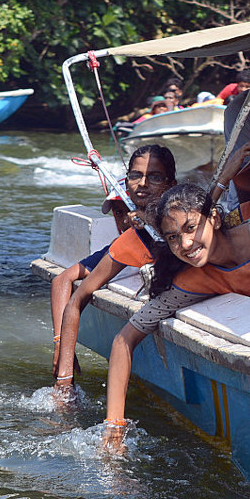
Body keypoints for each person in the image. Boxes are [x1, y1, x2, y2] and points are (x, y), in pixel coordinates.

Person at [102, 182, 250, 448]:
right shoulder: (194, 279)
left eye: (191, 228)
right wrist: (114, 427)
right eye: (173, 237)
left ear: (215, 219)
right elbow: (124, 339)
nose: (185, 244)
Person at [50, 145, 177, 388]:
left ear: (171, 184)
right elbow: (75, 296)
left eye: (155, 177)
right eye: (135, 176)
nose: (142, 184)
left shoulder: (185, 222)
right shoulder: (129, 241)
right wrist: (64, 374)